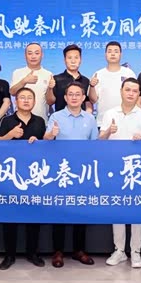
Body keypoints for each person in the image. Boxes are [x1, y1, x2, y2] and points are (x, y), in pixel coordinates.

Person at [99, 78, 141, 269]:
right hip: (115, 168)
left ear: (138, 94)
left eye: (134, 91)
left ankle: (136, 251)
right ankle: (119, 250)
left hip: (137, 171)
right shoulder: (109, 114)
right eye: (128, 90)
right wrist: (108, 132)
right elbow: (99, 141)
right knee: (118, 210)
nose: (131, 93)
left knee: (136, 211)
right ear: (121, 91)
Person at [44, 82, 98, 268]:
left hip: (82, 170)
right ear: (65, 98)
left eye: (78, 94)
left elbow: (94, 144)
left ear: (83, 98)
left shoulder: (90, 118)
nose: (74, 97)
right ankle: (58, 251)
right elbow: (46, 139)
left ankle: (79, 250)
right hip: (61, 170)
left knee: (80, 211)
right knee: (59, 211)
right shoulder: (56, 116)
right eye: (70, 94)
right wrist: (52, 134)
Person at [0, 87, 46, 270]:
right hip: (11, 174)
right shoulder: (7, 120)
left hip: (34, 174)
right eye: (22, 97)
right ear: (16, 101)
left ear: (34, 102)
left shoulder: (40, 121)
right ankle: (9, 255)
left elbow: (47, 145)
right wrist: (10, 135)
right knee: (10, 217)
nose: (26, 100)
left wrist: (40, 142)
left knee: (33, 216)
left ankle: (32, 253)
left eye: (29, 98)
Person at [88, 41, 136, 125]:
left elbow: (135, 96)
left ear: (121, 54)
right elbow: (93, 100)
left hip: (126, 121)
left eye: (116, 51)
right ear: (105, 54)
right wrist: (92, 86)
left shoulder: (129, 73)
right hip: (103, 122)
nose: (113, 54)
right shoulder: (98, 74)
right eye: (109, 51)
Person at [10, 42, 53, 122]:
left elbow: (50, 101)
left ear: (42, 55)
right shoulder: (17, 72)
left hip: (41, 120)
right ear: (25, 56)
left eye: (37, 53)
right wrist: (24, 81)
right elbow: (12, 92)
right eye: (30, 53)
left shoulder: (48, 74)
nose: (33, 56)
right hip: (19, 121)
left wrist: (50, 88)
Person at [49, 44, 92, 112]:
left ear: (80, 60)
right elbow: (50, 102)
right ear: (64, 60)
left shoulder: (86, 81)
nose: (73, 61)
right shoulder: (56, 79)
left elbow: (88, 101)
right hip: (61, 117)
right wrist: (50, 88)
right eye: (69, 58)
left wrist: (88, 114)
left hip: (81, 117)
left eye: (76, 58)